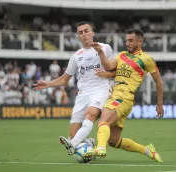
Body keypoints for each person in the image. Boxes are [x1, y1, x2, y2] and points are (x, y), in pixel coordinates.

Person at [33, 21, 115, 155]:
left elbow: (114, 71)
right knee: (73, 134)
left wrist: (106, 73)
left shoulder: (105, 48)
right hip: (82, 94)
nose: (84, 34)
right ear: (78, 36)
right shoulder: (76, 56)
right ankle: (88, 144)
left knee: (90, 114)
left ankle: (72, 144)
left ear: (93, 33)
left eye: (87, 31)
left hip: (100, 90)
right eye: (81, 33)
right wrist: (48, 84)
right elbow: (65, 79)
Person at [85, 29, 164, 162]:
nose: (127, 43)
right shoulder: (121, 55)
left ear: (140, 42)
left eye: (131, 40)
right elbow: (109, 66)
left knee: (103, 121)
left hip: (124, 96)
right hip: (118, 96)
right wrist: (100, 52)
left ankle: (99, 148)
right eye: (127, 40)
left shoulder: (146, 59)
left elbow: (159, 82)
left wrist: (160, 103)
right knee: (113, 140)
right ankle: (147, 150)